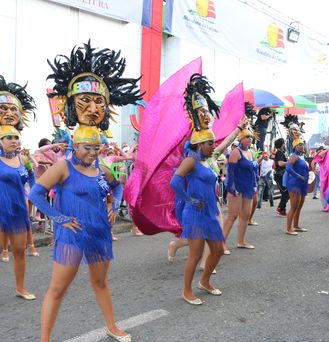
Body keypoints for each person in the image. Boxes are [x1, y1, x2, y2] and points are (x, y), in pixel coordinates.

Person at [31, 41, 142, 342]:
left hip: (99, 233)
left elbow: (112, 187)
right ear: (75, 145)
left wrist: (112, 207)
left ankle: (111, 325)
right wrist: (59, 218)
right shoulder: (63, 167)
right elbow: (35, 195)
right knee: (57, 289)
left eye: (96, 147)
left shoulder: (101, 169)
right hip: (71, 236)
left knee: (101, 282)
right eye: (86, 147)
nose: (92, 151)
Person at [170, 74, 224, 305]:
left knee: (218, 250)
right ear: (198, 144)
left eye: (213, 143)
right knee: (194, 254)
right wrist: (189, 201)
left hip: (210, 211)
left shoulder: (206, 162)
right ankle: (186, 291)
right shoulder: (190, 160)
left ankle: (205, 281)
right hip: (195, 213)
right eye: (210, 143)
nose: (213, 146)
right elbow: (174, 182)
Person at [223, 128, 258, 251]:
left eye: (251, 137)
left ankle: (241, 241)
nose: (250, 139)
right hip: (237, 188)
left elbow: (253, 171)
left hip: (248, 188)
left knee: (245, 216)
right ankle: (221, 244)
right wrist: (232, 188)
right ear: (241, 139)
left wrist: (254, 184)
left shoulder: (251, 153)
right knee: (232, 216)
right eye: (247, 137)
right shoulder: (235, 152)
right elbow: (230, 173)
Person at [284, 138, 309, 235]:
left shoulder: (302, 157)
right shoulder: (293, 156)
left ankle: (296, 225)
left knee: (299, 207)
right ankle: (289, 228)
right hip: (295, 184)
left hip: (302, 184)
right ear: (294, 147)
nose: (301, 146)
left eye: (302, 144)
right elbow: (288, 168)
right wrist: (298, 176)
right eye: (299, 145)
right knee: (294, 207)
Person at [274, 138, 289, 217]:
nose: (285, 144)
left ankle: (282, 209)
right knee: (285, 192)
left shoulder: (281, 152)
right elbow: (280, 163)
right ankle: (280, 208)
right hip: (280, 176)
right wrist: (289, 162)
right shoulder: (279, 153)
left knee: (286, 193)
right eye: (284, 143)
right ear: (282, 144)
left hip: (282, 175)